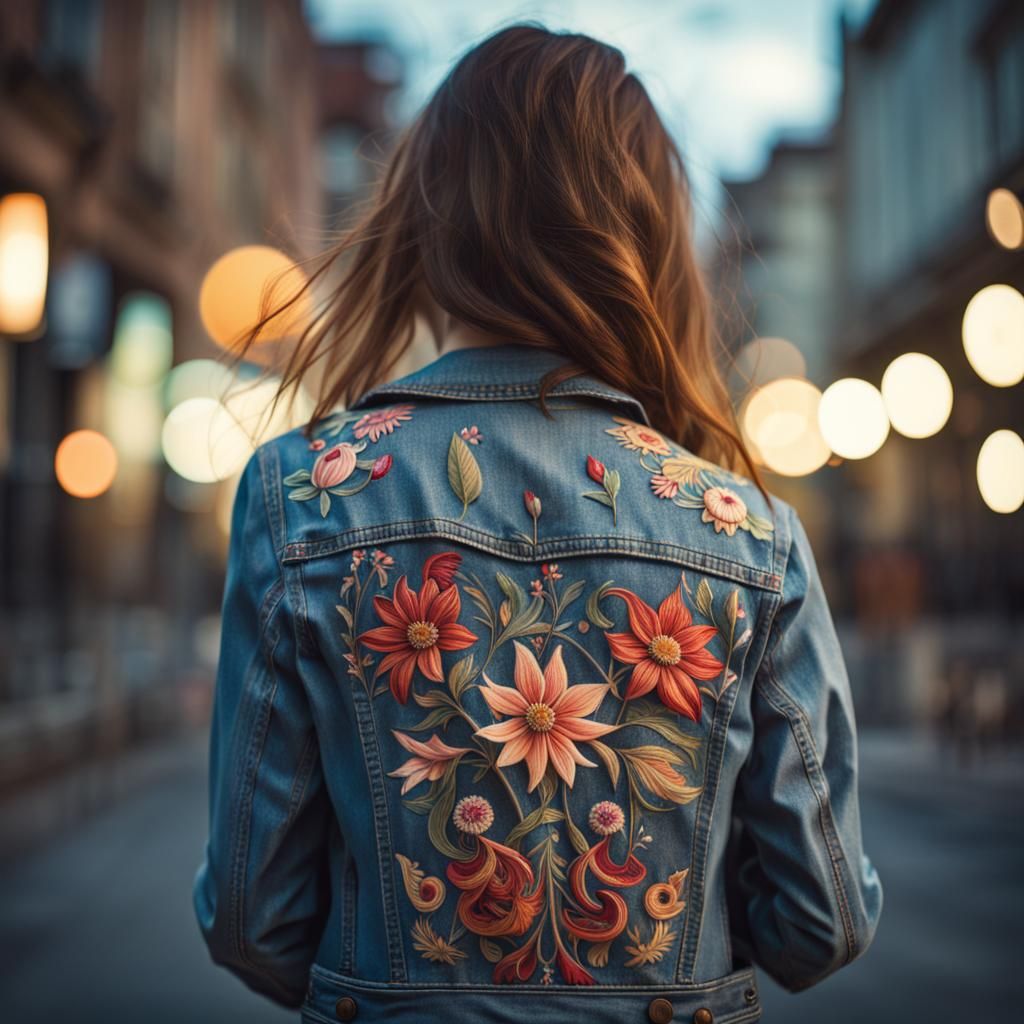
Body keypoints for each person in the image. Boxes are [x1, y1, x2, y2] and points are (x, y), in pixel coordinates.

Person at [193, 24, 881, 1023]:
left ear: (428, 219)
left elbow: (253, 917)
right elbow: (821, 922)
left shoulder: (303, 495)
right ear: (645, 236)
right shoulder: (745, 533)